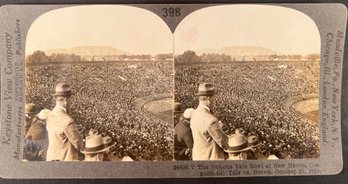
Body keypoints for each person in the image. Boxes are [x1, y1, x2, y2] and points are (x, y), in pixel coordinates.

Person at [190, 83, 228, 160]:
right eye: (213, 98)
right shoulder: (211, 120)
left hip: (198, 157)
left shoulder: (194, 114)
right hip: (211, 159)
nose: (214, 101)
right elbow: (224, 142)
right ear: (208, 99)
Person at [46, 83, 83, 161]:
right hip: (65, 160)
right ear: (66, 99)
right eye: (70, 98)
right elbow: (79, 144)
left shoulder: (50, 115)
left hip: (51, 158)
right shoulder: (67, 121)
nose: (71, 101)